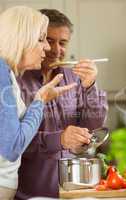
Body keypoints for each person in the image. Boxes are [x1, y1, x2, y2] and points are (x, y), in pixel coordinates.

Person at [15, 9, 108, 199]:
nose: (56, 50)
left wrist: (90, 86)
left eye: (63, 42)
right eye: (49, 41)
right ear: (35, 39)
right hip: (27, 192)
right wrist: (59, 139)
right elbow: (13, 140)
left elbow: (93, 127)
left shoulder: (75, 76)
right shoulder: (16, 79)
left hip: (72, 189)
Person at [0, 6, 77, 200]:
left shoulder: (6, 73)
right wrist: (40, 101)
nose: (48, 48)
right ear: (22, 39)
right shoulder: (2, 75)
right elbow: (13, 146)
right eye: (42, 39)